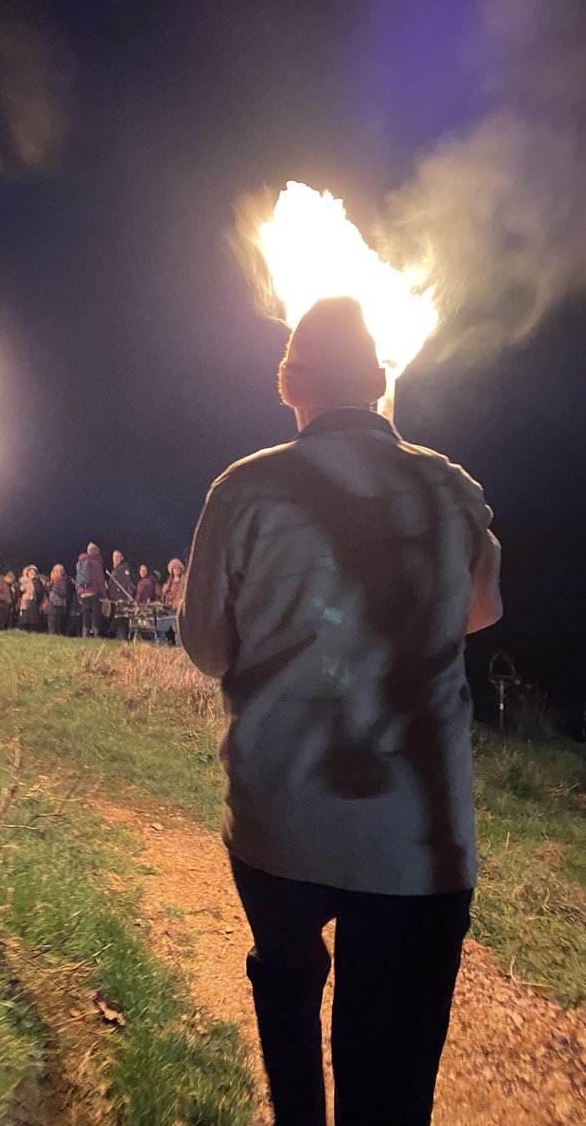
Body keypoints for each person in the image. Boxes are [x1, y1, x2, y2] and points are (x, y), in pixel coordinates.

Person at [178, 297, 502, 1126]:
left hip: (279, 817)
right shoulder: (455, 491)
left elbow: (208, 648)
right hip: (418, 839)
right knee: (388, 1080)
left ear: (290, 384)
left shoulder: (241, 489)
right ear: (382, 382)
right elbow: (477, 613)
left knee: (286, 986)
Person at [76, 542, 107, 638]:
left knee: (86, 615)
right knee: (95, 615)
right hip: (93, 592)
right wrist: (104, 595)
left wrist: (79, 593)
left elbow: (78, 579)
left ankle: (85, 635)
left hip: (83, 593)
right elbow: (100, 580)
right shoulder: (95, 563)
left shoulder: (81, 562)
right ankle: (96, 634)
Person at [108, 549, 135, 639]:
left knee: (121, 619)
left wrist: (121, 598)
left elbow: (127, 583)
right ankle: (118, 638)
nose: (116, 558)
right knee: (116, 619)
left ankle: (122, 638)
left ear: (122, 558)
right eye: (114, 556)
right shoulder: (114, 570)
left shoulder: (124, 569)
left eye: (118, 556)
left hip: (121, 600)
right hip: (114, 599)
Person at [46, 563, 72, 635]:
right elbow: (48, 591)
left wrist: (55, 586)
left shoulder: (64, 580)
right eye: (55, 571)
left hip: (59, 605)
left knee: (58, 624)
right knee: (51, 623)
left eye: (59, 571)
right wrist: (49, 584)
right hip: (52, 604)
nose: (57, 573)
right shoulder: (51, 580)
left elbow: (63, 592)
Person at [17, 565, 44, 631]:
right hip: (25, 602)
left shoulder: (37, 581)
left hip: (33, 601)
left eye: (33, 572)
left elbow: (39, 591)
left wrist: (34, 581)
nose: (32, 573)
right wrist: (21, 590)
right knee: (24, 618)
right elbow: (19, 593)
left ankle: (32, 631)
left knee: (32, 619)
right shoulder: (23, 581)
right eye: (30, 572)